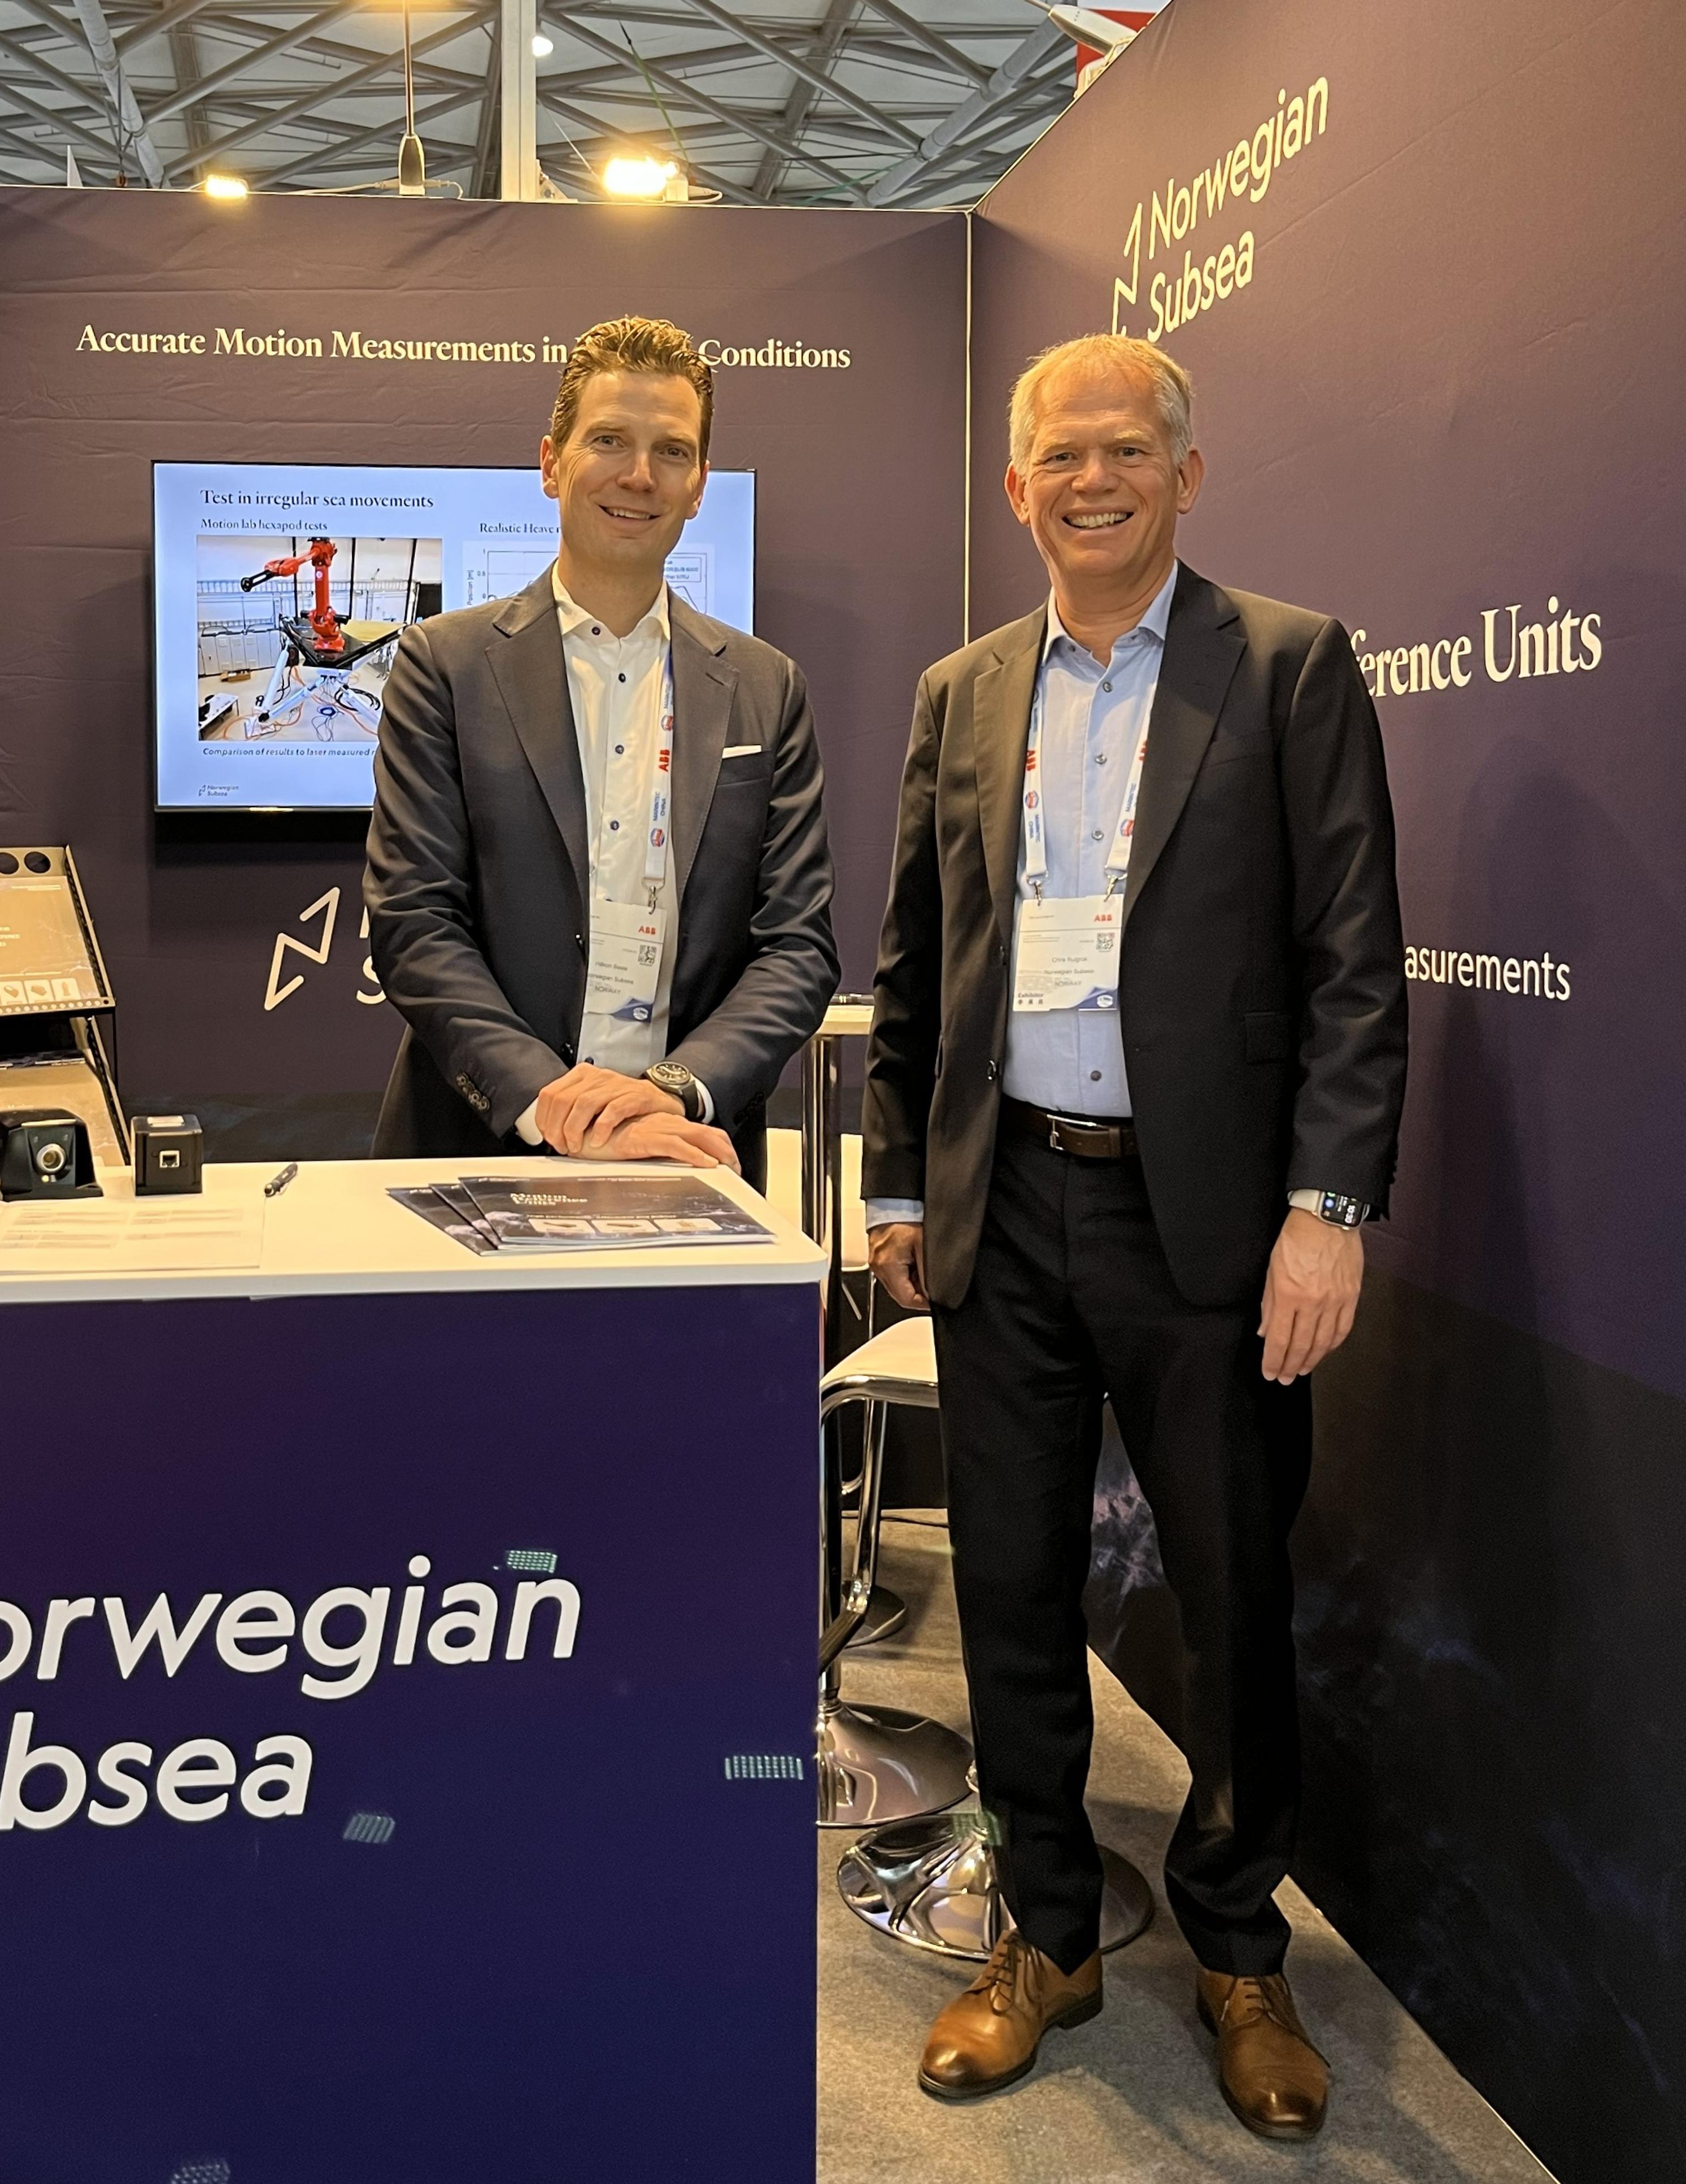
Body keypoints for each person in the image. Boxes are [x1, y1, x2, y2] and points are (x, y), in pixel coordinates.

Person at [861, 333, 1405, 2140]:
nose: (1091, 479)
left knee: (1236, 1589)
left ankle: (1242, 1948)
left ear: (1187, 470)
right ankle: (1050, 1933)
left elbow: (1353, 957)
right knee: (1010, 1585)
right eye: (1058, 456)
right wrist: (893, 1188)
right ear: (1015, 487)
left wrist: (1326, 1211)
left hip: (1217, 1224)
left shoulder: (1288, 665)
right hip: (1003, 1206)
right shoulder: (963, 691)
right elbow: (916, 965)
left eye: (1127, 449)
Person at [364, 316, 838, 1183]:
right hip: (482, 1145)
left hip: (688, 1154)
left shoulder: (767, 687)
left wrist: (675, 1091)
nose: (638, 476)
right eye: (609, 441)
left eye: (672, 451)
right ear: (551, 464)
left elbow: (797, 946)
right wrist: (556, 1103)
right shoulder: (445, 666)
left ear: (699, 487)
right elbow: (415, 922)